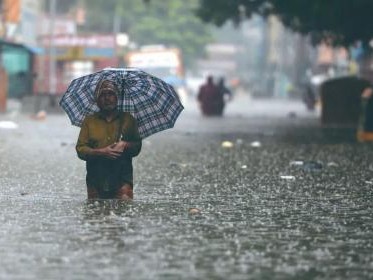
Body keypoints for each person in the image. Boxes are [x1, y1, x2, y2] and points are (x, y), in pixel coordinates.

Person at [76, 80, 142, 200]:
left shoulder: (128, 120)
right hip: (96, 178)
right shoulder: (89, 121)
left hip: (122, 178)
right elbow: (80, 149)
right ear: (97, 100)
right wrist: (101, 152)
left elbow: (137, 147)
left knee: (124, 211)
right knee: (95, 214)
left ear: (117, 97)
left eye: (110, 94)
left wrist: (125, 144)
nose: (107, 98)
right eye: (102, 95)